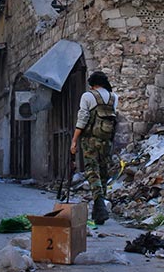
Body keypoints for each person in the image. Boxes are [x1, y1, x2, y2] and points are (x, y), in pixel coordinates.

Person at [70, 70, 118, 225]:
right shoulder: (113, 97)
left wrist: (74, 139)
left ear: (92, 84)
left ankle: (99, 205)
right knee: (103, 173)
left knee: (92, 171)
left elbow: (83, 118)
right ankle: (100, 211)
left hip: (90, 139)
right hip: (106, 141)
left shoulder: (88, 96)